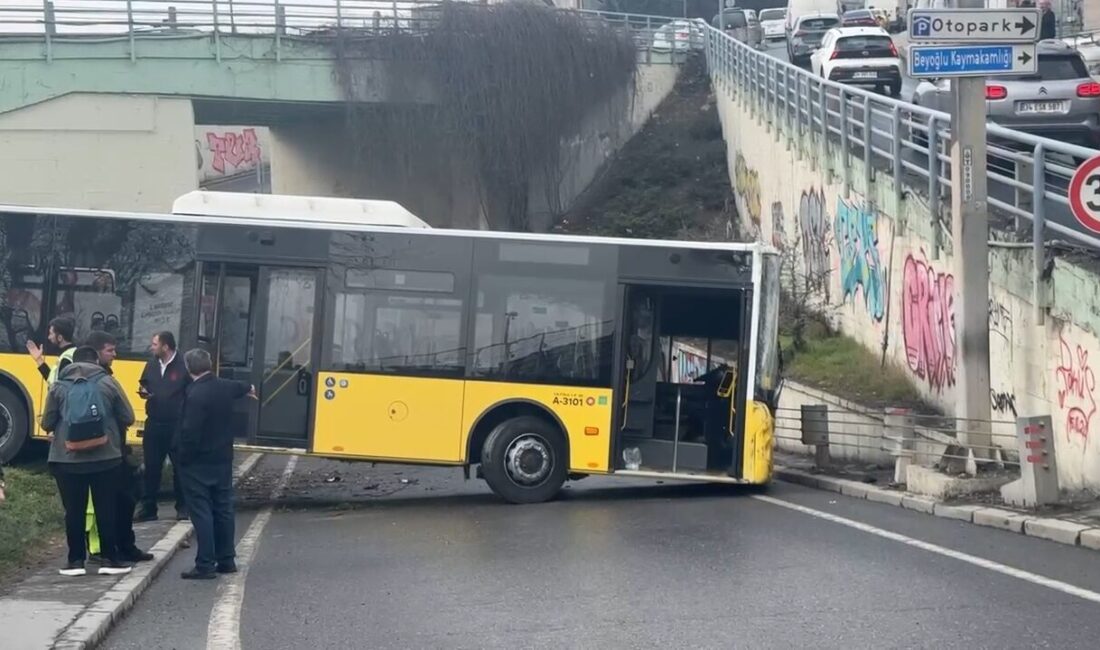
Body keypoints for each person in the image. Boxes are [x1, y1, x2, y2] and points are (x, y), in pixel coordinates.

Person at [42, 346, 134, 577]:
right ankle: (109, 559)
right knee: (106, 508)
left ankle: (75, 562)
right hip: (106, 458)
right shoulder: (107, 382)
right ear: (96, 361)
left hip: (66, 459)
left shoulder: (59, 385)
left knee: (74, 511)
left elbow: (47, 423)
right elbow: (128, 417)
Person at [176, 348, 254, 579]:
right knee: (223, 509)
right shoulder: (224, 387)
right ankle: (227, 559)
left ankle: (205, 564)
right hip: (222, 459)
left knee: (201, 511)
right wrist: (249, 388)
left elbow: (190, 432)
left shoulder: (195, 394)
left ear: (189, 368)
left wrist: (182, 458)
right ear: (209, 365)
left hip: (198, 462)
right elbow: (241, 386)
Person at [84, 330, 153, 565]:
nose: (115, 354)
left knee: (108, 502)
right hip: (110, 449)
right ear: (96, 353)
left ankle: (114, 548)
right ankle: (119, 548)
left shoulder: (70, 376)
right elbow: (127, 415)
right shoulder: (105, 380)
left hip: (87, 450)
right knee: (122, 499)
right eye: (110, 350)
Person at [135, 331, 189, 522]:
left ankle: (183, 507)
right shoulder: (151, 364)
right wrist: (143, 391)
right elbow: (144, 384)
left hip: (177, 424)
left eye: (155, 344)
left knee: (180, 467)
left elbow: (192, 391)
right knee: (151, 467)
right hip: (154, 422)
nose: (152, 347)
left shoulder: (184, 365)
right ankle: (149, 508)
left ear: (166, 346)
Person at [26, 316, 77, 384]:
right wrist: (39, 359)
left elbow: (58, 386)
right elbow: (52, 380)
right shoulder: (70, 354)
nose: (49, 337)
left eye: (51, 334)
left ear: (60, 338)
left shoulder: (66, 359)